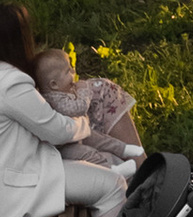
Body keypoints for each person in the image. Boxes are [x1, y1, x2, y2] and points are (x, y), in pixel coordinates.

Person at [0, 5, 123, 217]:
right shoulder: (12, 83)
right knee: (113, 186)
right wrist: (84, 124)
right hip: (7, 194)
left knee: (95, 168)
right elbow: (58, 131)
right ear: (22, 38)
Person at [33, 46, 147, 186]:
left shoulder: (55, 92)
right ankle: (113, 170)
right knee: (88, 154)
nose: (74, 72)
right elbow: (79, 108)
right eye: (68, 71)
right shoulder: (56, 100)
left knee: (101, 139)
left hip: (76, 132)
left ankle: (125, 149)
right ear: (54, 84)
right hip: (66, 144)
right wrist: (84, 92)